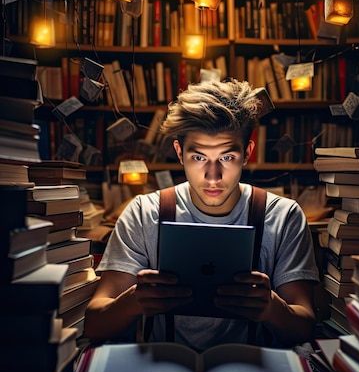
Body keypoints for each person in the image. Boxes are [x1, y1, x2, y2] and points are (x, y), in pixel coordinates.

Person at [84, 78, 319, 351]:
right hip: (166, 371)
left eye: (227, 158)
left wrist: (273, 308)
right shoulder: (143, 213)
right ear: (179, 153)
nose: (213, 176)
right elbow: (95, 322)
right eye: (199, 158)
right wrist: (134, 300)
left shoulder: (284, 216)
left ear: (247, 153)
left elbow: (305, 324)